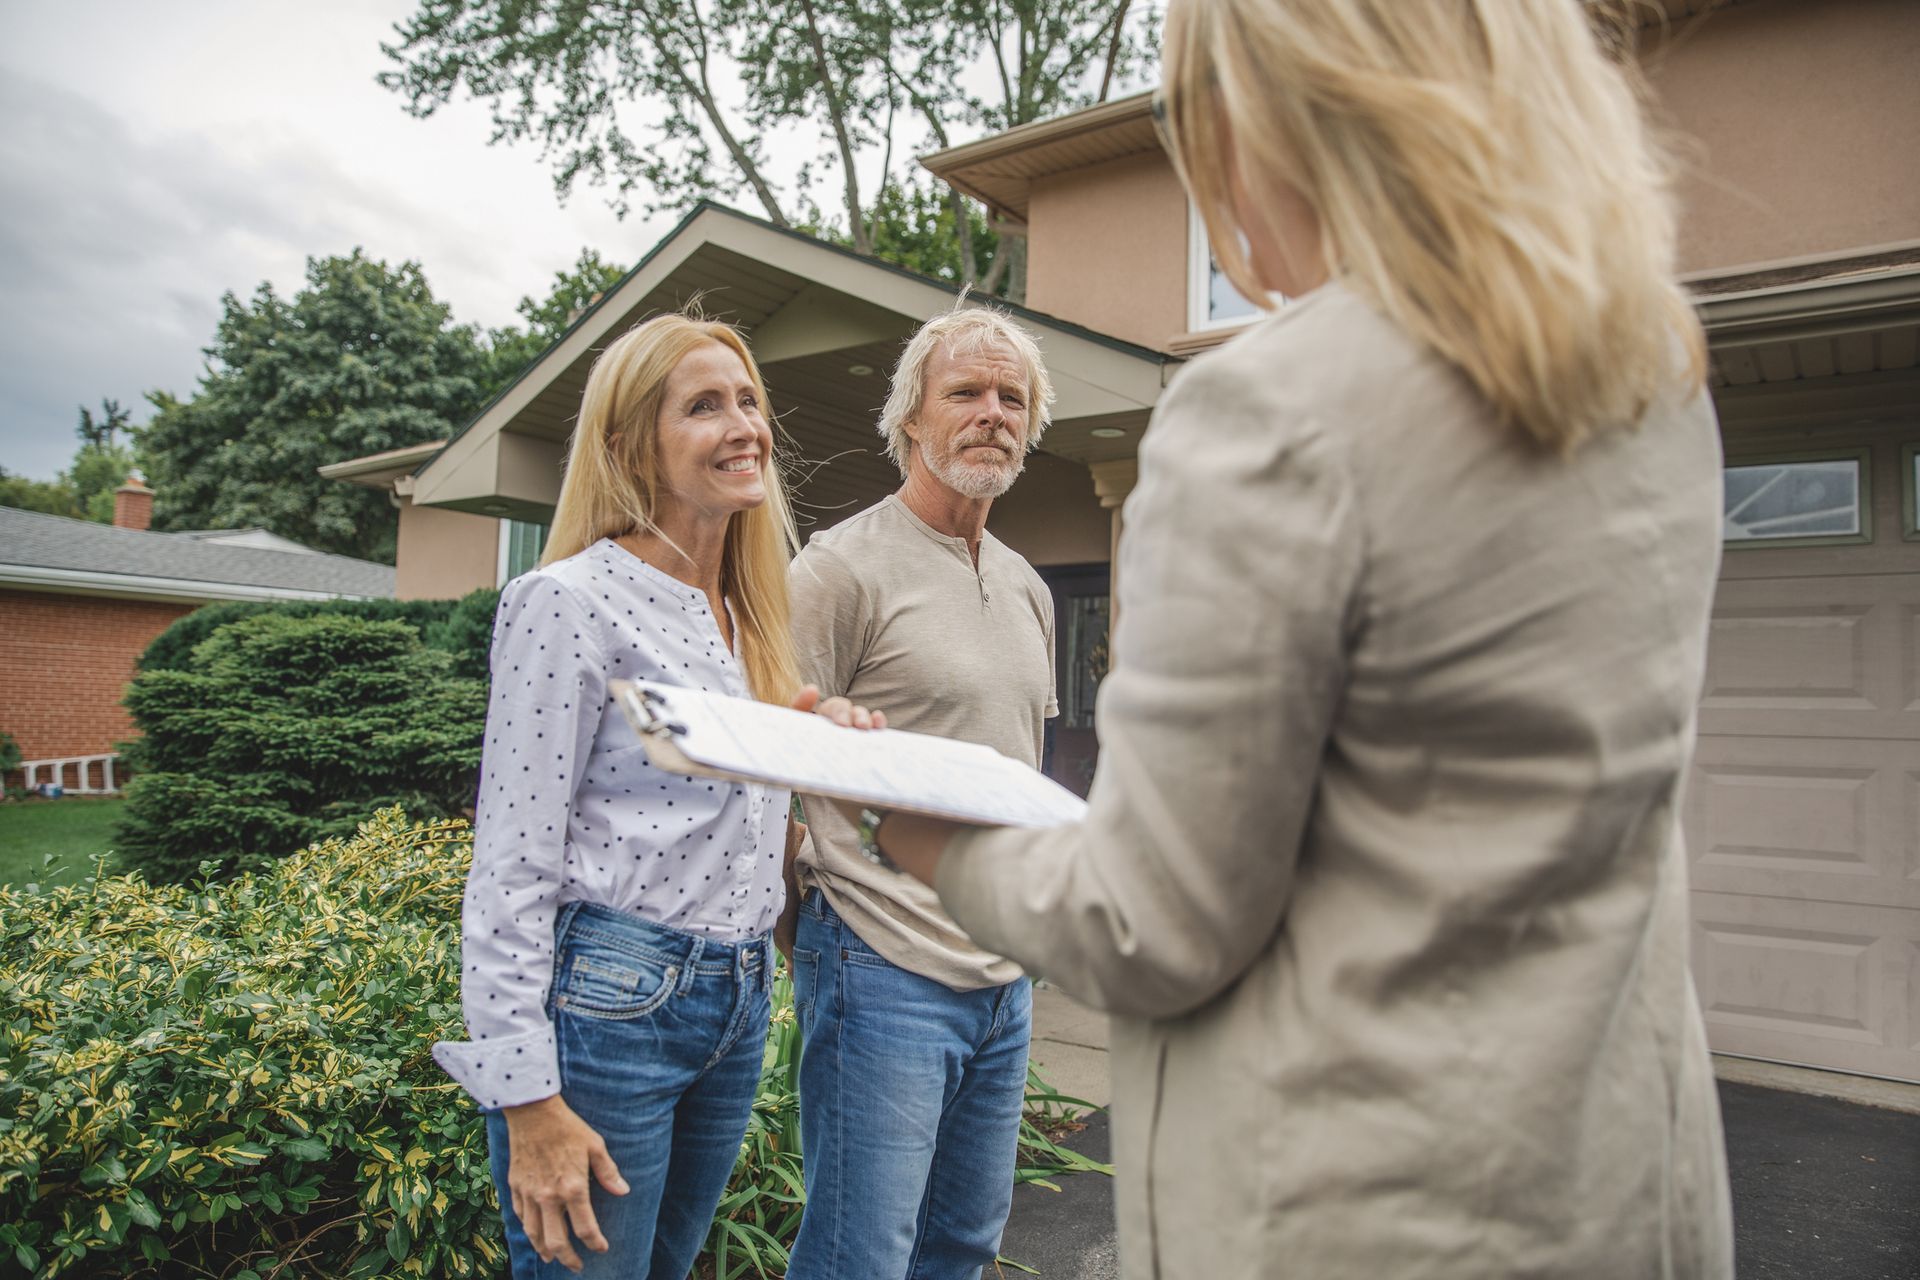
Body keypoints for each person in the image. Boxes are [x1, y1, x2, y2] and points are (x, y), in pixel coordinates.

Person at [863, 1, 1737, 1276]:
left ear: (1286, 111)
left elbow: (1152, 919)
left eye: (1196, 116)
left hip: (1371, 1199)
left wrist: (929, 838)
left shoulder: (1276, 405)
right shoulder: (1651, 376)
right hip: (1614, 1178)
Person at [432, 312, 881, 1277]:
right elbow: (512, 855)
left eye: (750, 402)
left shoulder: (753, 617)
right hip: (609, 1007)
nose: (744, 426)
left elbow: (730, 821)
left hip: (736, 998)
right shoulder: (568, 600)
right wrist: (526, 1097)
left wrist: (827, 755)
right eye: (705, 407)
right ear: (633, 443)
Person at [781, 302, 1059, 1280]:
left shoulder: (1028, 584)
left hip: (1002, 975)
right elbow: (778, 760)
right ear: (911, 417)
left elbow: (1018, 764)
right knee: (863, 1256)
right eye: (967, 391)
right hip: (881, 959)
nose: (992, 411)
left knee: (962, 1248)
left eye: (1011, 396)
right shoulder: (838, 567)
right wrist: (800, 923)